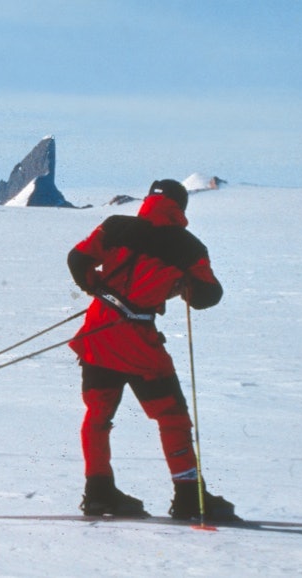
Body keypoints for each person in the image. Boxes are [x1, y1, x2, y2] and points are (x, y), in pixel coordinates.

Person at [66, 178, 237, 521]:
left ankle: (98, 492)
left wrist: (95, 286)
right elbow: (207, 296)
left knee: (98, 414)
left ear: (148, 201)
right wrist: (181, 284)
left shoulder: (115, 226)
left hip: (97, 331)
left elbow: (77, 258)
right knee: (171, 415)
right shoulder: (188, 247)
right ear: (180, 207)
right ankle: (188, 494)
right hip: (138, 344)